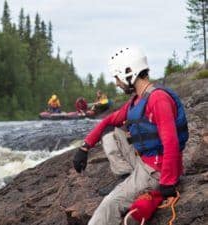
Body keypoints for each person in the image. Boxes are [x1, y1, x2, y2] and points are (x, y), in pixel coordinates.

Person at [72, 46, 188, 225]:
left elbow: (171, 143)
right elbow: (109, 121)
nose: (117, 83)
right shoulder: (137, 100)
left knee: (108, 205)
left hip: (156, 170)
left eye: (117, 78)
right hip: (144, 161)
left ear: (129, 72)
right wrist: (84, 147)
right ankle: (128, 180)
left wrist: (167, 183)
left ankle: (137, 189)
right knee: (111, 132)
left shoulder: (158, 99)